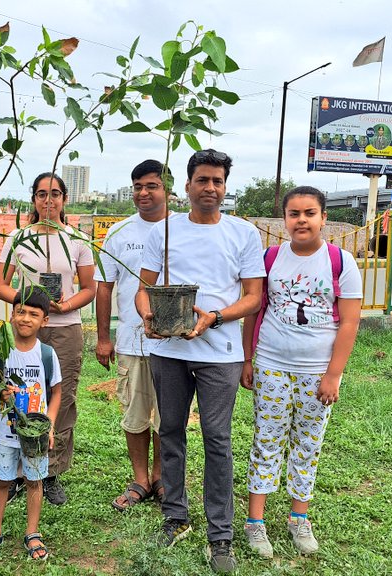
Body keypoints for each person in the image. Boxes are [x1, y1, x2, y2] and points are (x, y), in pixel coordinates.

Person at [135, 149, 265, 573]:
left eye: (218, 181)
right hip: (169, 350)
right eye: (202, 180)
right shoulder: (166, 232)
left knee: (217, 438)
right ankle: (175, 516)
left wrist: (215, 318)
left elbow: (253, 297)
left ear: (225, 187)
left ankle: (220, 533)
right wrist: (148, 316)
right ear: (187, 186)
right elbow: (144, 288)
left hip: (221, 354)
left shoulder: (244, 234)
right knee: (170, 431)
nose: (210, 188)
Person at [239, 186, 362, 558]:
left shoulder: (342, 262)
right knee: (267, 439)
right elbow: (254, 310)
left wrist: (333, 374)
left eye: (310, 213)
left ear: (324, 218)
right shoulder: (270, 258)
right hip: (272, 365)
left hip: (316, 372)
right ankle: (255, 523)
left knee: (307, 444)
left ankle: (298, 518)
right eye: (294, 214)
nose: (302, 220)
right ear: (285, 220)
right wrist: (248, 360)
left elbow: (351, 323)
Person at [0, 172, 95, 506]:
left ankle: (49, 472)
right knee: (21, 394)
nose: (48, 201)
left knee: (60, 398)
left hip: (65, 328)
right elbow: (0, 284)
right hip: (26, 328)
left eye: (55, 194)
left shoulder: (77, 240)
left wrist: (64, 304)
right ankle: (19, 472)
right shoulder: (18, 239)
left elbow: (89, 288)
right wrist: (28, 303)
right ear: (33, 200)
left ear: (64, 199)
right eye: (41, 194)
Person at [94, 159, 169, 511]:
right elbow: (104, 287)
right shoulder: (119, 232)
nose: (143, 192)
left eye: (151, 185)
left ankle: (161, 477)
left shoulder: (180, 229)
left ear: (167, 188)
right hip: (131, 340)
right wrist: (104, 337)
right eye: (137, 186)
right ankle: (140, 477)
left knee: (168, 415)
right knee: (136, 412)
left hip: (175, 343)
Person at [0, 289, 62, 563]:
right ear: (11, 315)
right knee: (2, 480)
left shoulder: (46, 354)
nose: (25, 319)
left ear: (44, 321)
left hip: (35, 435)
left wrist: (51, 426)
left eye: (33, 314)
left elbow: (56, 392)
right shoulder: (1, 354)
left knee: (35, 482)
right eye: (20, 312)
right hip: (6, 433)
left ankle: (32, 532)